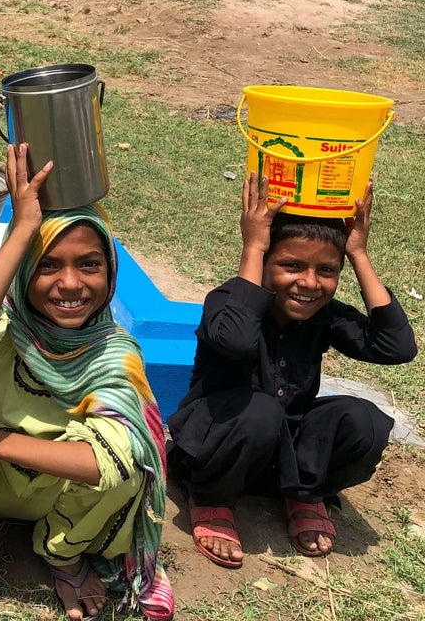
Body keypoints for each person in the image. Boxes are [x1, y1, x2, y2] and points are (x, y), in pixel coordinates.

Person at [0, 144, 174, 621]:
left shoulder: (114, 353)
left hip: (61, 488)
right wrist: (25, 226)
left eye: (89, 264)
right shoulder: (9, 327)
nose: (70, 284)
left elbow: (104, 465)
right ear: (24, 273)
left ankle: (63, 554)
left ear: (110, 275)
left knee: (126, 470)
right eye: (47, 265)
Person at [168, 173, 416, 569]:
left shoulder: (325, 316)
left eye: (327, 270)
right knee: (261, 411)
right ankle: (213, 501)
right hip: (216, 452)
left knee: (364, 419)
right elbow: (236, 343)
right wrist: (253, 244)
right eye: (291, 265)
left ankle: (303, 492)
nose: (309, 283)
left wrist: (359, 254)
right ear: (263, 261)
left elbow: (396, 348)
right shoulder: (229, 302)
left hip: (282, 459)